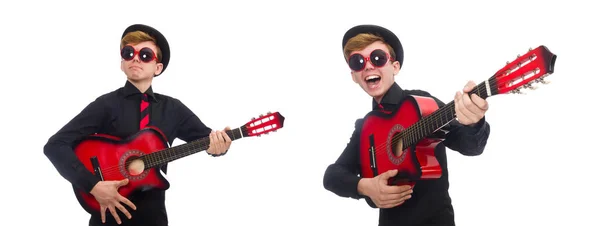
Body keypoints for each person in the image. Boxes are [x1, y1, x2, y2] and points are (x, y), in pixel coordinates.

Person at [43, 24, 232, 226]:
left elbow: (207, 140)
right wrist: (93, 186)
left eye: (145, 55)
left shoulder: (173, 109)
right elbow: (55, 146)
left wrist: (220, 145)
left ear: (157, 67)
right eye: (128, 53)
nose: (135, 58)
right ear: (122, 63)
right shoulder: (105, 105)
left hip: (153, 217)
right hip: (108, 217)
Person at [322, 24, 491, 226]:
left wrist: (474, 122)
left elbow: (470, 146)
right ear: (354, 75)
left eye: (377, 58)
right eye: (358, 62)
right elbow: (332, 176)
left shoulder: (421, 105)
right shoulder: (365, 128)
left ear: (395, 67)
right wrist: (365, 186)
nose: (368, 66)